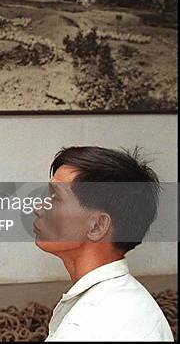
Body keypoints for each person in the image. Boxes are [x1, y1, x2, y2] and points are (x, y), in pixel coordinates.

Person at [33, 146, 173, 341]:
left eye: (56, 198)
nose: (39, 207)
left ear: (98, 226)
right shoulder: (124, 300)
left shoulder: (86, 327)